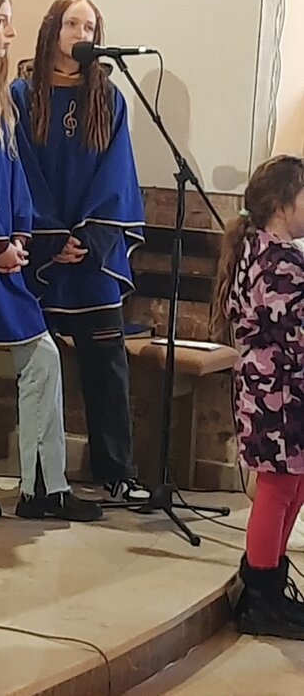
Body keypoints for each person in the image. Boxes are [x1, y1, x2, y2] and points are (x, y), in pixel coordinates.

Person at [0, 0, 101, 522]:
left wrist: (19, 237)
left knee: (43, 359)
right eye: (2, 22)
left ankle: (43, 486)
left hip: (2, 257)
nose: (11, 33)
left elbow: (13, 179)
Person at [11, 0, 149, 503]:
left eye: (90, 27)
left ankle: (117, 472)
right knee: (40, 366)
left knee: (107, 363)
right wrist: (50, 235)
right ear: (53, 30)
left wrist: (89, 238)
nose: (81, 34)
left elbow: (117, 174)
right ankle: (41, 477)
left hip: (92, 254)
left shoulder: (108, 98)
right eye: (72, 24)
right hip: (42, 254)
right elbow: (20, 169)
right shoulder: (21, 96)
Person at [210, 155, 304, 639]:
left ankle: (270, 580)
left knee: (294, 483)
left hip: (280, 389)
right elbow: (295, 333)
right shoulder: (278, 260)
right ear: (283, 205)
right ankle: (261, 595)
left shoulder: (264, 250)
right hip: (277, 393)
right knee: (278, 485)